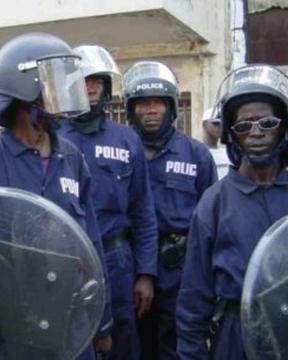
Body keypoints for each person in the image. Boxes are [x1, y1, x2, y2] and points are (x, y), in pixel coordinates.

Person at [0, 32, 112, 360]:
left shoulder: (72, 159)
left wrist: (101, 320)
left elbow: (91, 242)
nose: (65, 93)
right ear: (23, 89)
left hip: (70, 325)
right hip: (8, 336)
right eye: (55, 83)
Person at [177, 64, 288, 359]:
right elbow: (193, 297)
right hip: (236, 335)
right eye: (243, 126)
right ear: (231, 135)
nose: (256, 133)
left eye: (267, 123)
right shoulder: (214, 203)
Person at [58, 44, 158, 360]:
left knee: (123, 339)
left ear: (106, 88)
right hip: (65, 260)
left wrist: (145, 273)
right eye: (82, 80)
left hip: (116, 260)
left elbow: (143, 211)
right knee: (69, 337)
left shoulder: (126, 140)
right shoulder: (52, 137)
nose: (89, 88)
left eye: (96, 81)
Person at [122, 61, 217, 359]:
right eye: (143, 104)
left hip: (182, 270)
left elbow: (210, 220)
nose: (151, 111)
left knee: (178, 345)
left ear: (171, 108)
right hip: (132, 265)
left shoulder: (196, 155)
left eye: (158, 104)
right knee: (134, 345)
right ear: (131, 110)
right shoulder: (121, 153)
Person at [202, 107, 231, 179]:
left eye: (222, 124)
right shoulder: (198, 153)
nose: (220, 127)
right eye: (215, 124)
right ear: (204, 124)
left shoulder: (227, 153)